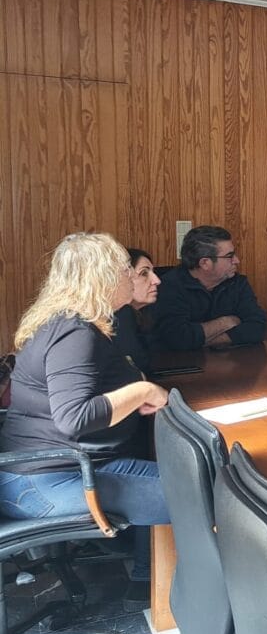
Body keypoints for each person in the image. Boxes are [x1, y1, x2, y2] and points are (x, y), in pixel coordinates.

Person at [0, 234, 170, 575]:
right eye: (126, 269)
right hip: (44, 483)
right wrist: (143, 391)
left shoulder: (68, 322)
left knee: (203, 481)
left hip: (62, 470)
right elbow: (74, 417)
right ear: (103, 276)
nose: (130, 276)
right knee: (215, 499)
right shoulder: (73, 330)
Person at [150, 226, 267, 350]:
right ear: (205, 263)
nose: (237, 260)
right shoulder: (169, 286)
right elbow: (178, 338)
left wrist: (204, 340)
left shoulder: (237, 282)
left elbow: (258, 328)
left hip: (231, 363)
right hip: (181, 364)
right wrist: (225, 322)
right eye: (229, 256)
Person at [112, 247, 160, 374]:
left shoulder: (143, 314)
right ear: (122, 278)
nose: (157, 281)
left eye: (153, 273)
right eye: (144, 273)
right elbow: (139, 366)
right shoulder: (121, 315)